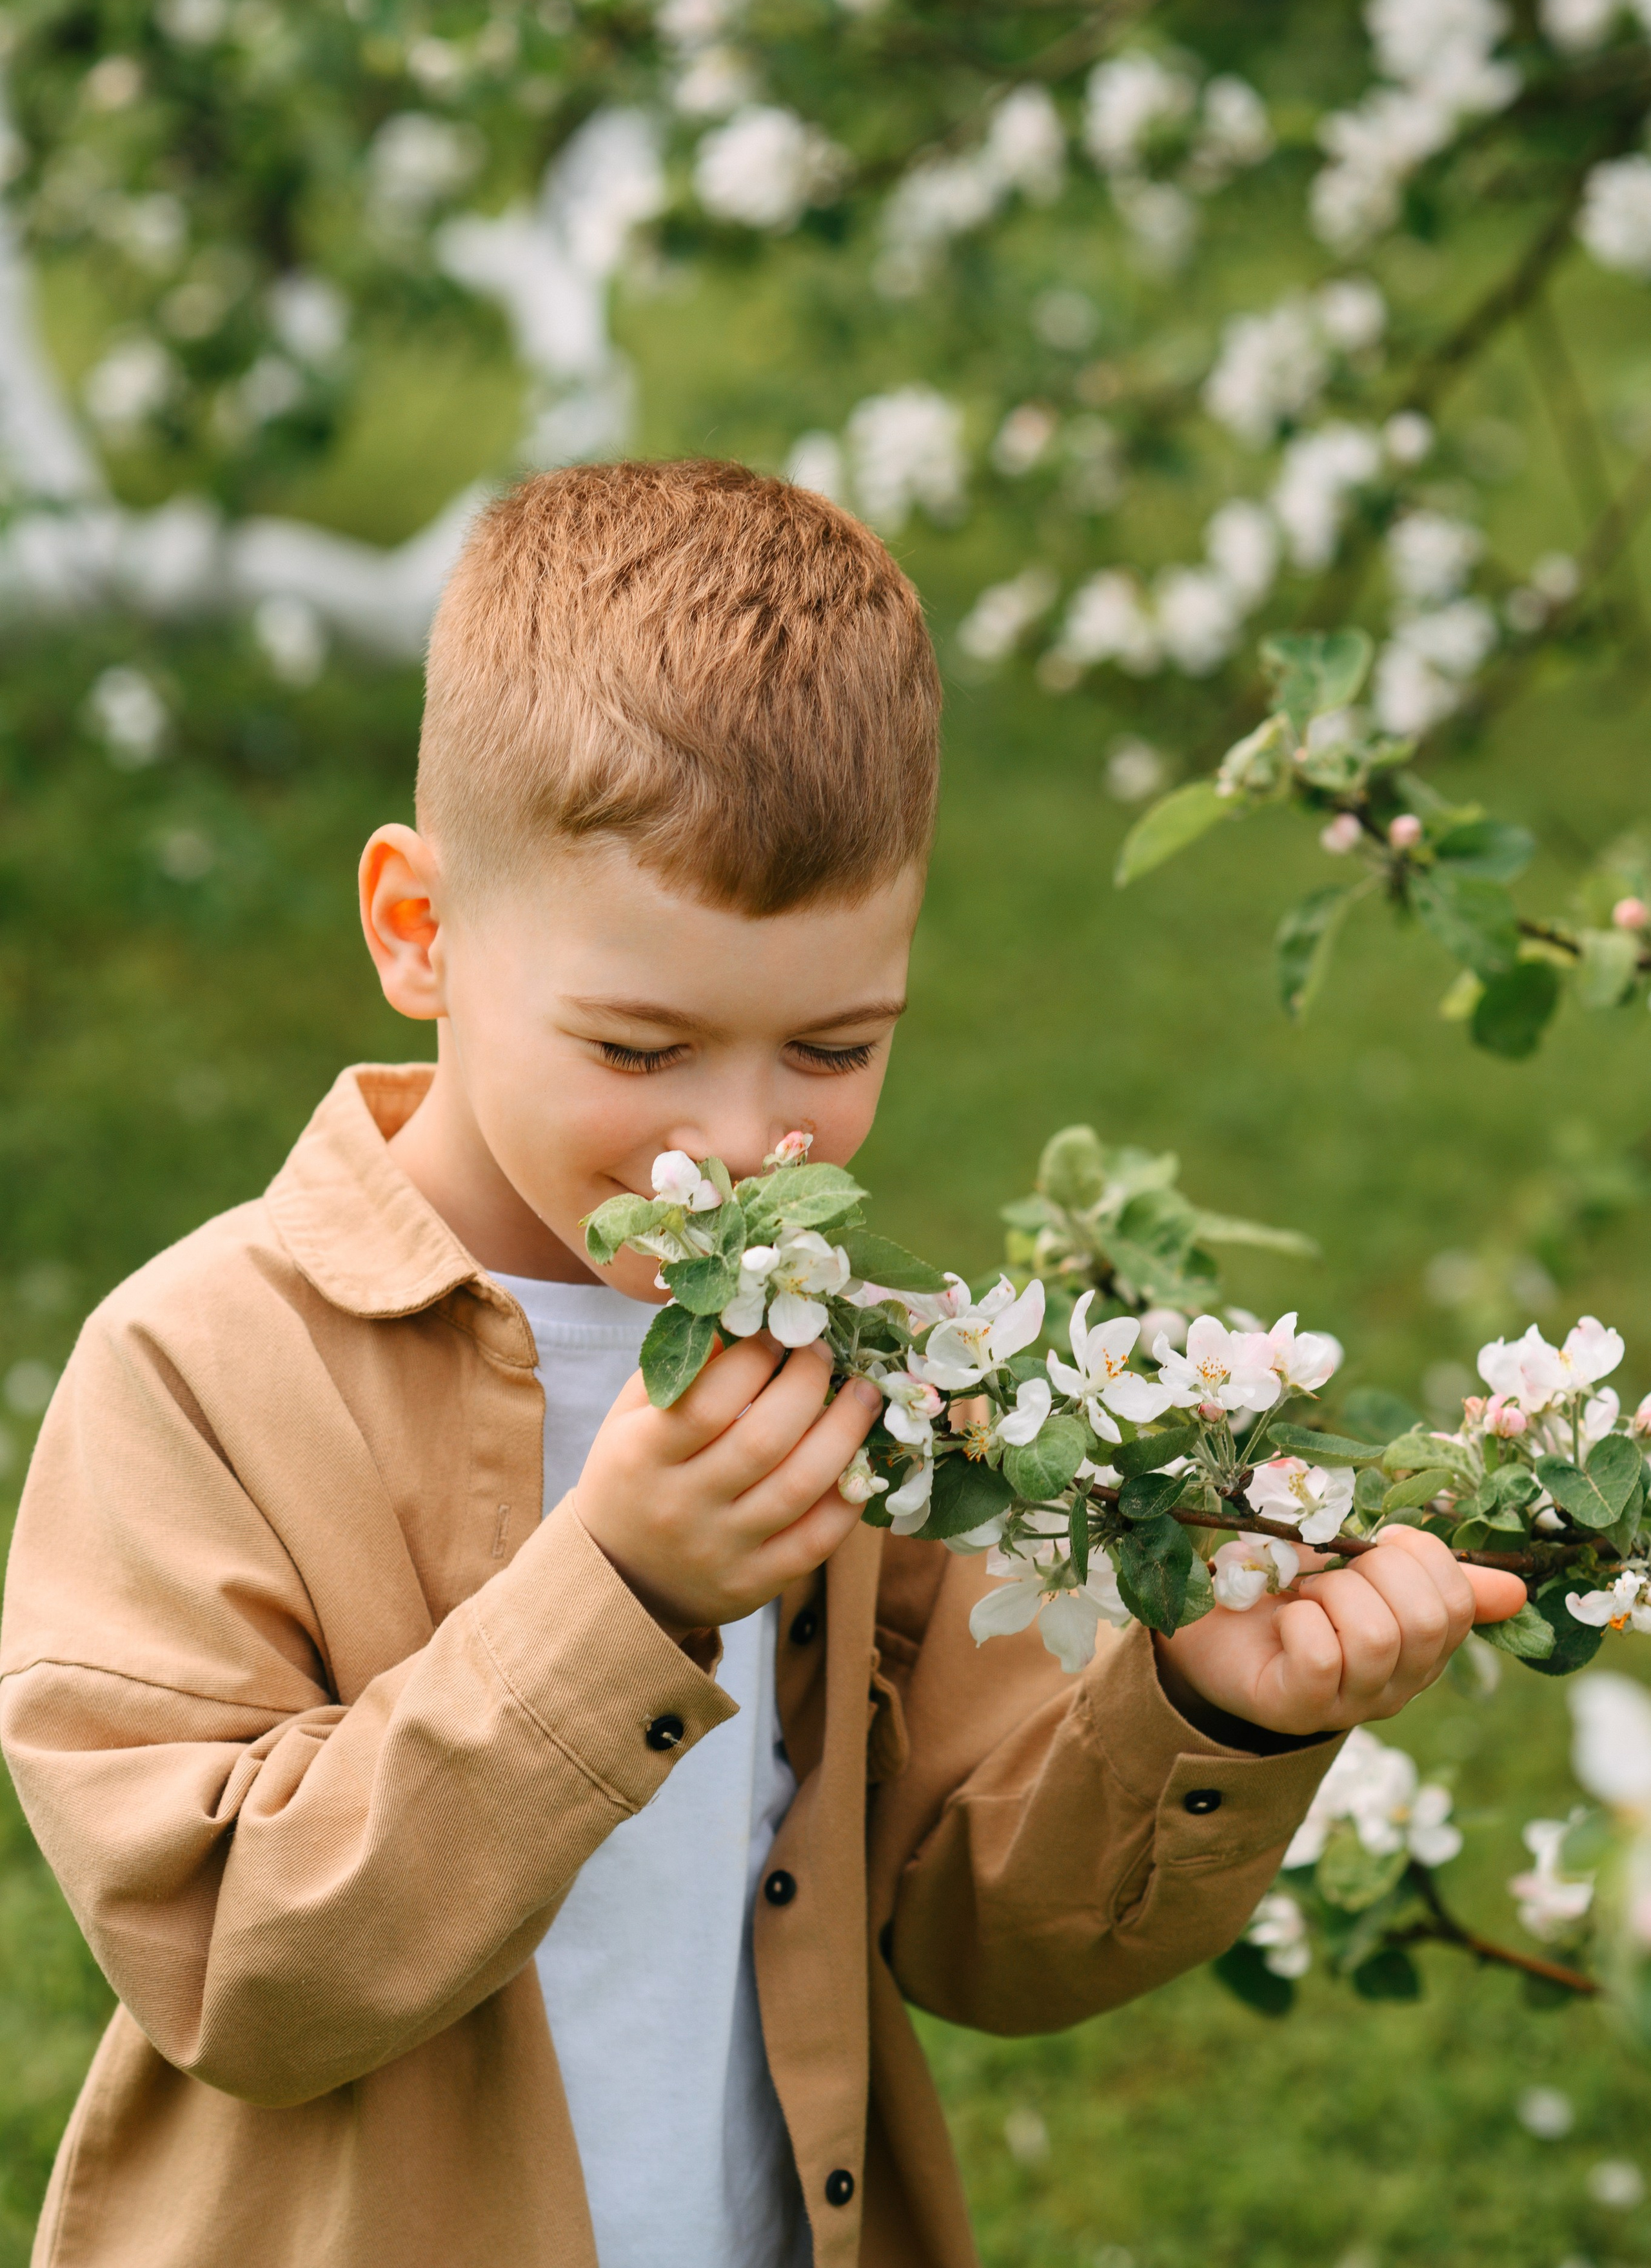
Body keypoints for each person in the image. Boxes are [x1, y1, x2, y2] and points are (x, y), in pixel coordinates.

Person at [0, 459, 1525, 2268]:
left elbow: (974, 1920)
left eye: (831, 1043)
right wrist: (621, 1591)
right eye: (639, 1049)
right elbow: (241, 1966)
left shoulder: (874, 1377)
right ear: (420, 931)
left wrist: (1208, 1715)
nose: (738, 1144)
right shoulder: (196, 1373)